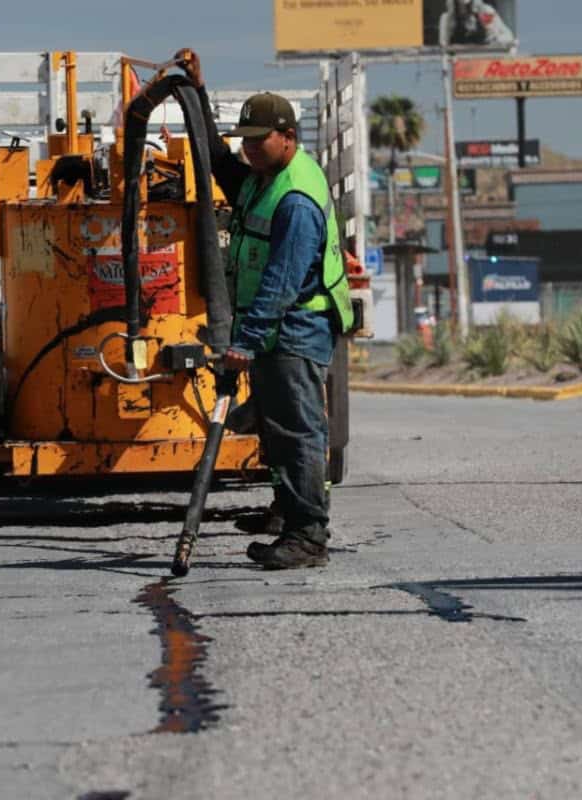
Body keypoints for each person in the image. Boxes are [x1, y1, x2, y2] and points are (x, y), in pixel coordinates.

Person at [177, 49, 354, 570]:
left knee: (298, 430)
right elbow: (214, 157)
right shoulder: (259, 177)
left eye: (259, 141)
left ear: (289, 137)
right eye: (246, 141)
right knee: (277, 424)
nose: (249, 150)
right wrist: (197, 93)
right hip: (278, 328)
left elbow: (280, 282)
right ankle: (286, 511)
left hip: (297, 326)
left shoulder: (294, 197)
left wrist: (245, 342)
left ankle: (308, 536)